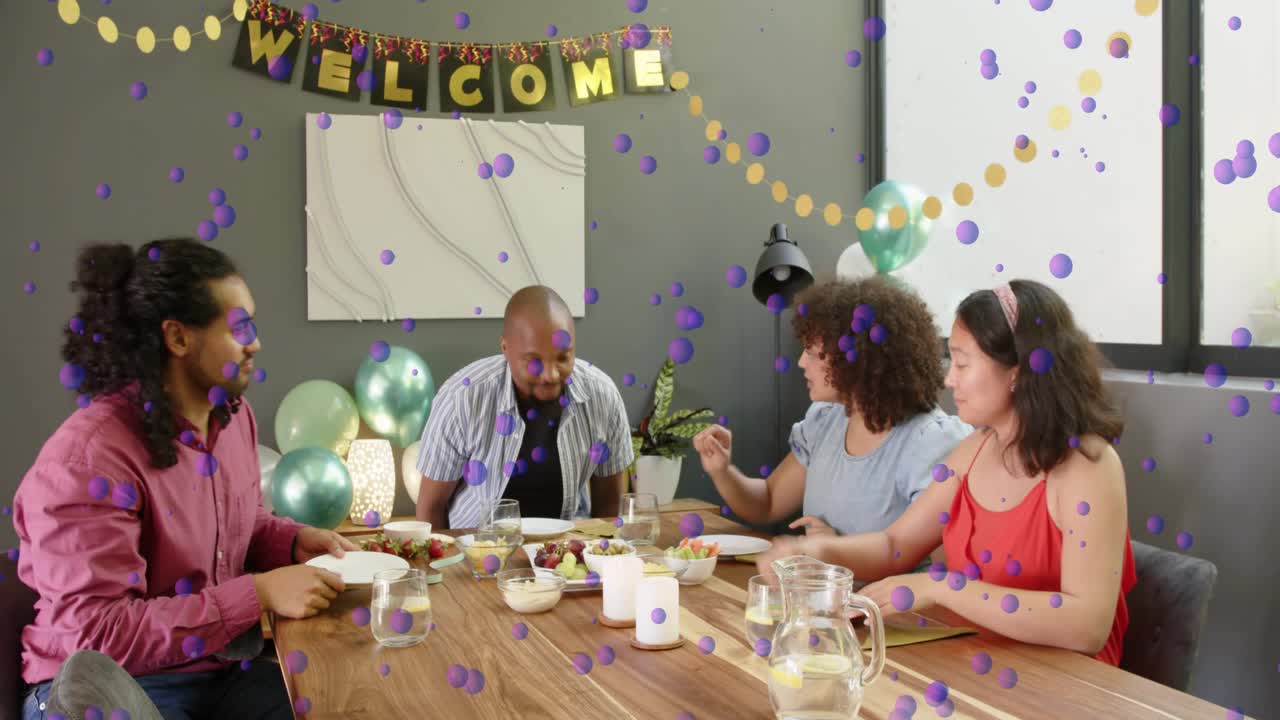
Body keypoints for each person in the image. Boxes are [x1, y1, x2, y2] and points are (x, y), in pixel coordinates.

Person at [14, 239, 358, 720]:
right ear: (178, 338)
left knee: (345, 701)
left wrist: (294, 542)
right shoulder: (86, 462)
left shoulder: (232, 419)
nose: (254, 343)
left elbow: (241, 524)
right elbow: (98, 634)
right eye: (239, 327)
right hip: (102, 688)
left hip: (208, 674)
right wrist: (256, 594)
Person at [756, 280, 1138, 665]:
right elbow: (895, 545)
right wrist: (816, 550)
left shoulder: (1089, 467)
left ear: (1017, 371)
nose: (948, 379)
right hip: (979, 661)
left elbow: (1087, 626)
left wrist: (942, 587)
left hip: (1067, 684)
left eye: (962, 363)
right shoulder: (972, 453)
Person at [693, 276, 970, 538]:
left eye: (814, 354)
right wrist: (723, 471)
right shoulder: (826, 420)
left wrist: (836, 550)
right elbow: (767, 502)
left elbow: (939, 567)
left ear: (859, 360)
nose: (802, 362)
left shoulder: (930, 443)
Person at [415, 285, 634, 529]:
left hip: (565, 549)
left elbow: (610, 506)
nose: (550, 375)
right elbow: (430, 508)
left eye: (563, 358)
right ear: (506, 349)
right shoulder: (462, 400)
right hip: (477, 545)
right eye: (534, 362)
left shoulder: (602, 396)